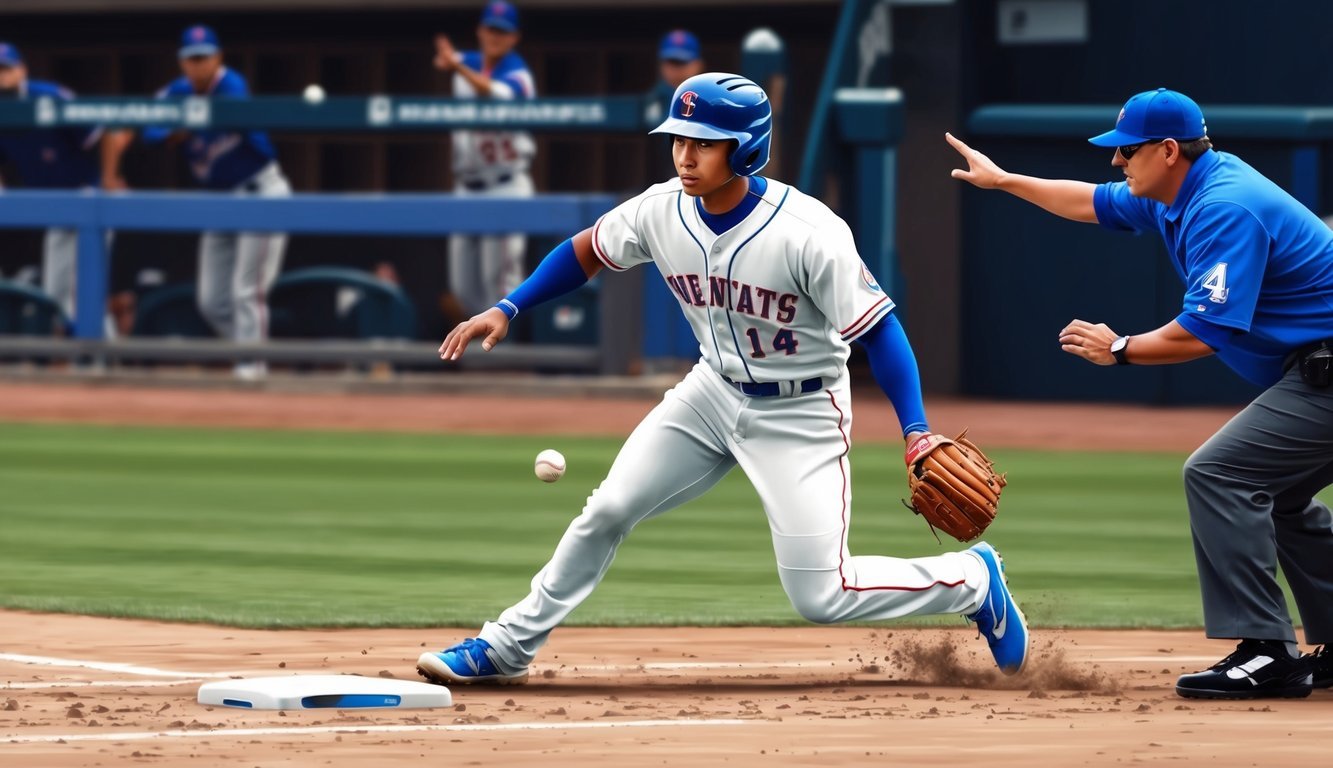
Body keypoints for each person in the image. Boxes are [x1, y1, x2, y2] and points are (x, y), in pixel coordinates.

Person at [417, 72, 1029, 687]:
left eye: (704, 142)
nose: (685, 154)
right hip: (711, 393)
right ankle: (507, 647)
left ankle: (973, 582)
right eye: (678, 138)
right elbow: (583, 252)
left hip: (801, 412)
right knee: (606, 509)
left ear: (745, 148)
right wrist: (509, 307)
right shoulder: (660, 210)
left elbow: (881, 333)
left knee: (821, 595)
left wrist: (917, 430)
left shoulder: (808, 233)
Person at [947, 88, 1333, 700]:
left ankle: (1267, 651)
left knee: (1219, 473)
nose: (1116, 161)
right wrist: (1004, 181)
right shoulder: (1179, 192)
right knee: (1279, 494)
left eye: (1126, 149)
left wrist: (1121, 348)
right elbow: (1088, 202)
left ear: (1168, 150)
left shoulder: (1224, 206)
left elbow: (1204, 332)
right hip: (1315, 371)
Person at [102, 25, 290, 380]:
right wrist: (175, 127)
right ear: (181, 63)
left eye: (204, 58)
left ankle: (253, 371)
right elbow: (149, 130)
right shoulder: (176, 91)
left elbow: (227, 116)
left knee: (246, 290)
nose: (198, 65)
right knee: (211, 300)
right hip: (220, 198)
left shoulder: (231, 84)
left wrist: (186, 122)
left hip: (259, 190)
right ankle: (252, 356)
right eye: (191, 59)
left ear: (218, 58)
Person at [0, 41, 119, 330]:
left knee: (90, 288)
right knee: (55, 294)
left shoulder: (49, 96)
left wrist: (109, 177)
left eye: (6, 69)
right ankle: (77, 358)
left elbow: (103, 130)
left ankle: (104, 357)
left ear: (22, 70)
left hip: (86, 198)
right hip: (53, 206)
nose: (1, 76)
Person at [432, 0, 536, 323]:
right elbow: (453, 61)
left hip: (506, 184)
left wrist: (455, 66)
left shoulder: (520, 74)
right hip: (467, 185)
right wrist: (449, 61)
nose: (495, 36)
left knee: (501, 284)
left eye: (502, 32)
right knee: (461, 286)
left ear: (514, 37)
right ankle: (478, 358)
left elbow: (489, 91)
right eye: (491, 29)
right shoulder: (468, 62)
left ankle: (500, 363)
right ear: (480, 30)